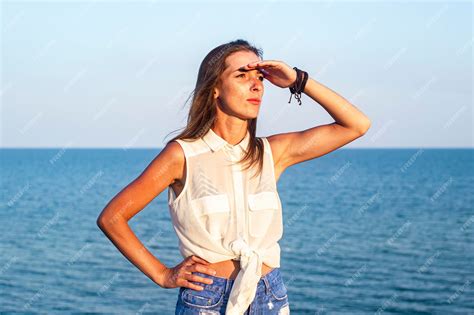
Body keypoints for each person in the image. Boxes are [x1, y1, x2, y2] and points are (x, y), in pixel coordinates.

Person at [97, 39, 371, 315]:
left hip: (270, 294)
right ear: (214, 88)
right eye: (242, 75)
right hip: (207, 299)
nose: (256, 86)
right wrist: (163, 274)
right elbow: (112, 217)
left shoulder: (272, 152)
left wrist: (297, 80)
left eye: (260, 77)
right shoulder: (182, 155)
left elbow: (357, 125)